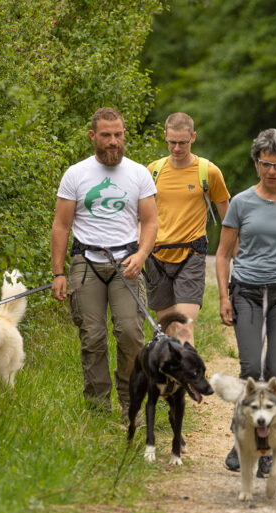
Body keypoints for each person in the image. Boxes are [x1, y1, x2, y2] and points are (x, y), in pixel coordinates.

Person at [215, 128, 276, 473]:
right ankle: (241, 439)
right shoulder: (241, 203)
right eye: (265, 163)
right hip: (247, 292)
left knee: (275, 371)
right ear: (256, 163)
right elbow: (223, 254)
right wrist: (224, 296)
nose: (272, 171)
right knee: (251, 371)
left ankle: (267, 448)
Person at [50, 107, 158, 417]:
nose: (113, 141)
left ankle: (130, 402)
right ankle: (97, 408)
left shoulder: (138, 173)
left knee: (130, 333)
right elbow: (61, 225)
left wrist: (141, 255)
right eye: (106, 135)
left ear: (124, 135)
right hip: (86, 262)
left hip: (127, 262)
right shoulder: (76, 174)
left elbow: (150, 222)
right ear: (93, 136)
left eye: (118, 135)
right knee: (92, 336)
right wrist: (59, 273)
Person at [143, 113, 231, 344]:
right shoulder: (152, 171)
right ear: (165, 137)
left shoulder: (208, 172)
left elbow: (229, 221)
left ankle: (189, 380)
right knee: (167, 331)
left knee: (183, 327)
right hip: (156, 257)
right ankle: (171, 379)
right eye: (172, 142)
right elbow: (140, 215)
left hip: (191, 256)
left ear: (193, 137)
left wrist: (235, 256)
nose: (177, 148)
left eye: (183, 142)